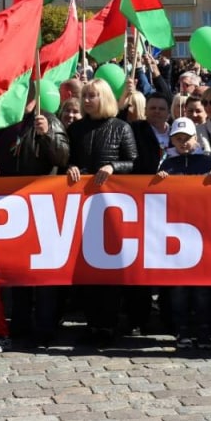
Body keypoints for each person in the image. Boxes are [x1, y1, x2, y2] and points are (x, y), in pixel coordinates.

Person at [66, 80, 138, 345]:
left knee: (108, 268)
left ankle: (108, 323)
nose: (86, 100)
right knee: (85, 268)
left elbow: (134, 162)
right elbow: (68, 158)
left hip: (111, 207)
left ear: (104, 97)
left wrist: (113, 167)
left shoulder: (121, 127)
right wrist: (70, 166)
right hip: (81, 206)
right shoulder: (76, 129)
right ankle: (92, 322)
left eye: (92, 96)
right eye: (84, 96)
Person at [152, 117, 211, 350]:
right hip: (175, 234)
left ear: (196, 138)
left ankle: (204, 331)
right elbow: (154, 196)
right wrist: (159, 180)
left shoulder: (205, 161)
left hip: (202, 234)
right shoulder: (167, 163)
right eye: (178, 139)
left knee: (203, 289)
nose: (183, 143)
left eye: (187, 138)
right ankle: (181, 330)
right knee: (179, 288)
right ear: (172, 140)